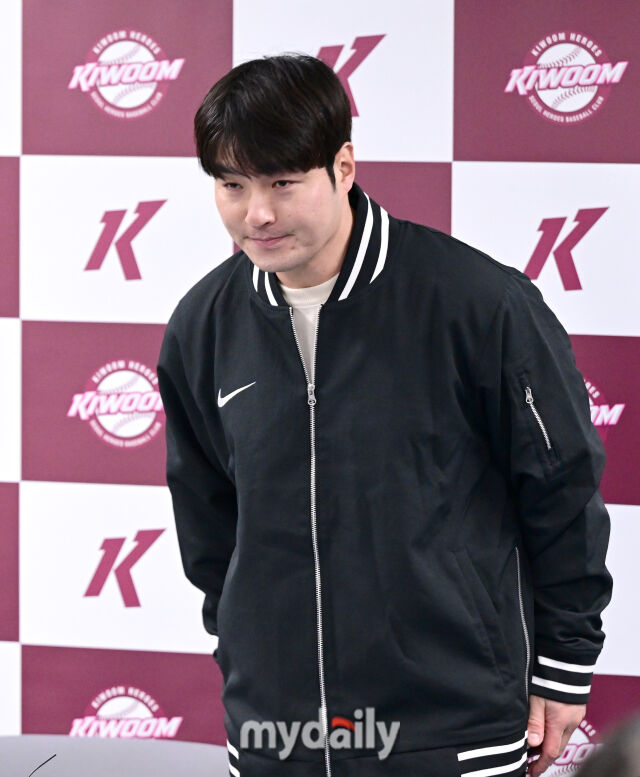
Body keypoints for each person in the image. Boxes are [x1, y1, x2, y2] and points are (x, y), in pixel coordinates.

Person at [156, 54, 613, 777]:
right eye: (232, 185)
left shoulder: (477, 303)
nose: (257, 213)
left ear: (343, 167)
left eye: (282, 182)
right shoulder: (201, 326)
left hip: (449, 726)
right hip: (280, 734)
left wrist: (564, 665)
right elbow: (209, 525)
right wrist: (249, 650)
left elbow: (561, 492)